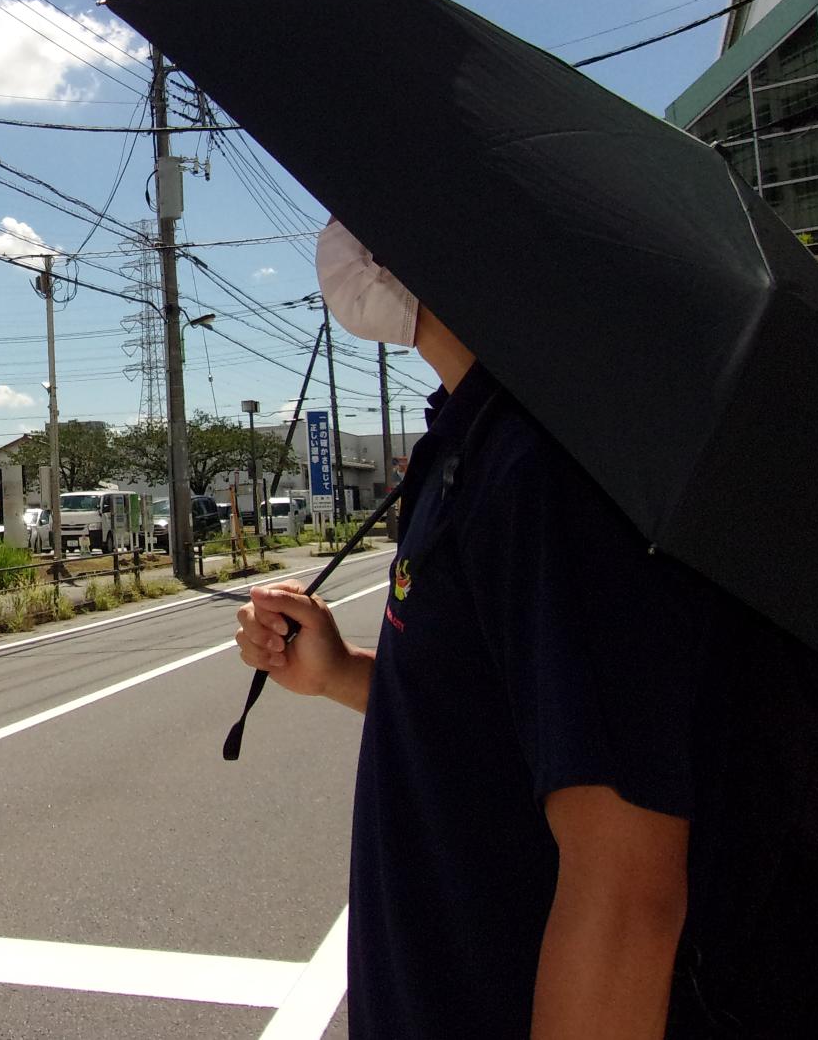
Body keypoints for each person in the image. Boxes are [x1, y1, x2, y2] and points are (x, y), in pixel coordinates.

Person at [237, 223, 722, 1039]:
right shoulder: (476, 442)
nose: (339, 239)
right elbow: (495, 716)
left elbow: (626, 885)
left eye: (364, 207)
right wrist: (343, 673)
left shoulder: (548, 470)